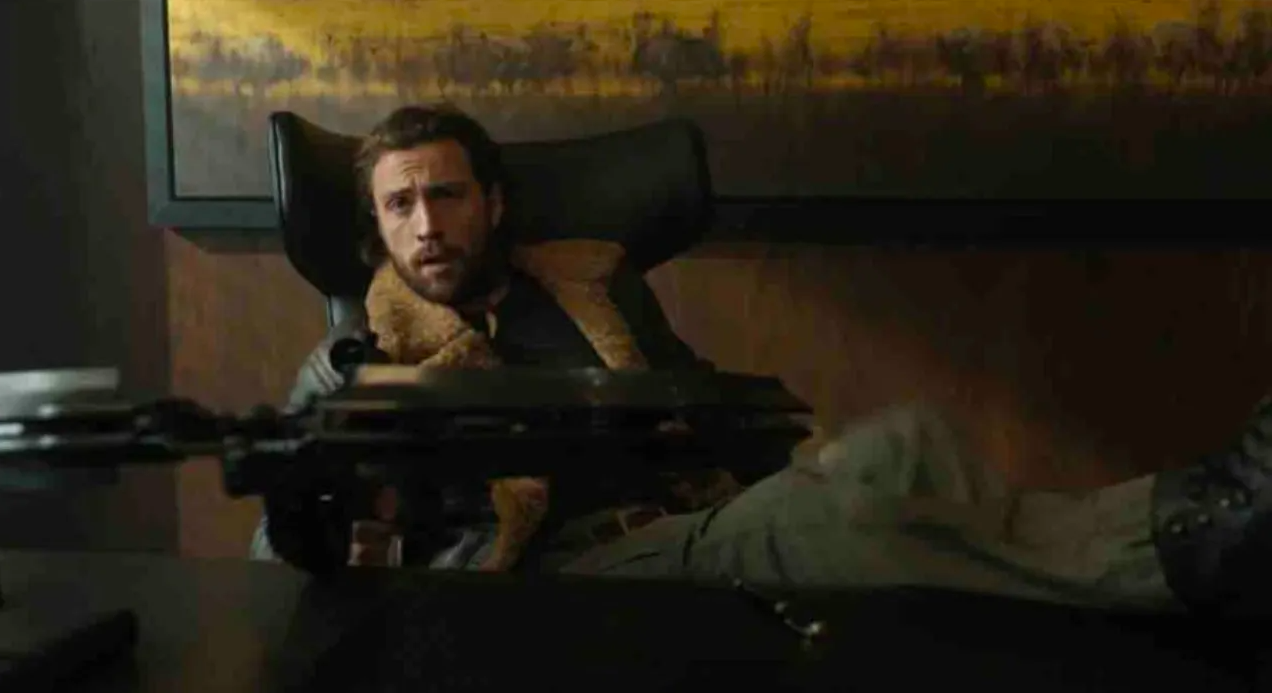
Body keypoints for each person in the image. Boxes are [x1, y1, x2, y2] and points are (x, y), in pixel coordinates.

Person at [252, 103, 1272, 618]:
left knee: (902, 448)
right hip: (562, 577)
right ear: (378, 228)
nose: (427, 223)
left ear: (493, 202)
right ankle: (1184, 545)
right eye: (400, 204)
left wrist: (808, 464)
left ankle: (1146, 540)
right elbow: (287, 541)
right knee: (821, 521)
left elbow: (706, 409)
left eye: (446, 194)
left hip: (680, 521)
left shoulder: (584, 290)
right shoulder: (365, 359)